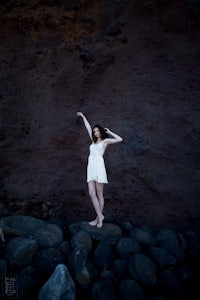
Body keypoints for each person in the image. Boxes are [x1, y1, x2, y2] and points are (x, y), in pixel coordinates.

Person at [77, 111, 123, 228]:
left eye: (97, 131)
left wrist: (109, 132)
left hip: (98, 166)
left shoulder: (105, 141)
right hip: (91, 166)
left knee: (99, 194)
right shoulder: (93, 141)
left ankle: (99, 219)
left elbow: (120, 139)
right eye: (94, 131)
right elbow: (88, 127)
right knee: (91, 193)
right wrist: (83, 117)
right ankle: (100, 216)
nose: (96, 133)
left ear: (101, 131)